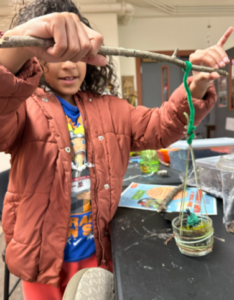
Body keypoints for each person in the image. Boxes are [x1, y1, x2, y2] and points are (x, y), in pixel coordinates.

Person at [0, 0, 232, 299]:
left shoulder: (112, 109)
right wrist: (22, 42)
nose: (69, 64)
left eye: (77, 56)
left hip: (99, 250)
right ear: (39, 59)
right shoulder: (22, 107)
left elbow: (162, 126)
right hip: (41, 256)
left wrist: (196, 85)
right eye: (56, 55)